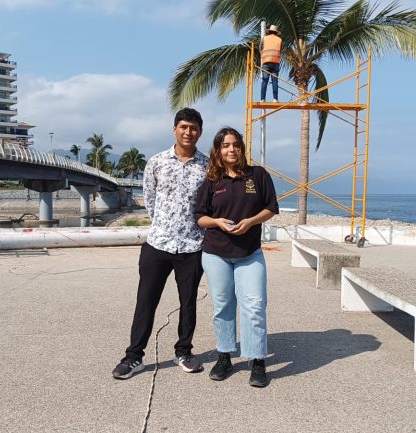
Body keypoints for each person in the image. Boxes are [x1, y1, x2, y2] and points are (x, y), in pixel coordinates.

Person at [112, 108, 210, 380]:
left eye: (193, 128)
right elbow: (151, 201)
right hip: (158, 244)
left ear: (200, 131)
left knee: (188, 302)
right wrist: (164, 226)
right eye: (183, 127)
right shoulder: (156, 162)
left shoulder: (208, 166)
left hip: (192, 246)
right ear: (174, 129)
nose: (188, 132)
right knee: (146, 301)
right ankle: (134, 357)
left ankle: (184, 351)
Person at [194, 127, 279, 387]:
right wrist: (218, 222)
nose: (231, 149)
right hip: (215, 254)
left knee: (254, 306)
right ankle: (224, 356)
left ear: (241, 148)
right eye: (225, 145)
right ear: (218, 151)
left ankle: (257, 360)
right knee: (222, 306)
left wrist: (251, 221)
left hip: (249, 253)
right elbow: (200, 217)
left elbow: (271, 208)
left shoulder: (257, 175)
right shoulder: (211, 180)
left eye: (235, 145)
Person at [260, 25, 282, 102]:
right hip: (275, 63)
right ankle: (275, 98)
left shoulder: (264, 38)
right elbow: (280, 50)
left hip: (266, 62)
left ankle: (262, 99)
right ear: (276, 33)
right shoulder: (279, 40)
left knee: (265, 80)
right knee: (275, 81)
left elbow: (260, 48)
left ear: (269, 31)